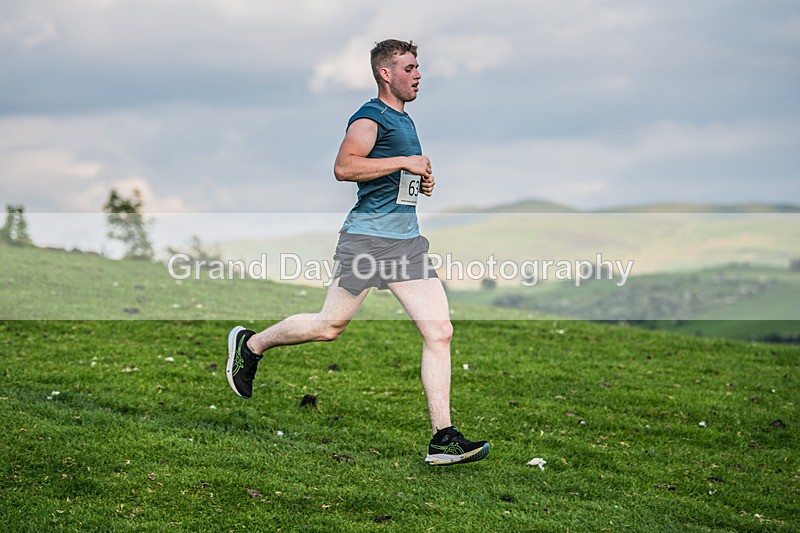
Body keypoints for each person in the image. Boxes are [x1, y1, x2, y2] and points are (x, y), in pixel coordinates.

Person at [226, 39, 489, 466]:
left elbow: (390, 176)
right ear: (386, 74)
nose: (418, 74)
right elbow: (344, 167)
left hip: (406, 243)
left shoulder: (405, 120)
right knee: (330, 326)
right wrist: (404, 161)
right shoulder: (370, 117)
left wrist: (418, 183)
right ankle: (251, 345)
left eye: (418, 67)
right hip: (367, 241)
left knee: (439, 332)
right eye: (409, 68)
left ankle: (443, 437)